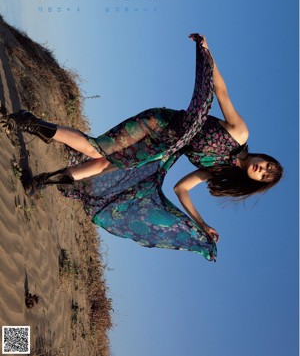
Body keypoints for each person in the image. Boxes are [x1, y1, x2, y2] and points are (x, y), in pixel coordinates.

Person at [1, 34, 283, 262]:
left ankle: (42, 180)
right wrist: (207, 54)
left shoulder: (218, 171)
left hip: (161, 151)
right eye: (268, 165)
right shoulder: (240, 133)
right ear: (263, 156)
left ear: (254, 182)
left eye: (265, 176)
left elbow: (180, 189)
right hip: (159, 125)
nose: (263, 169)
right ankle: (29, 122)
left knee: (101, 165)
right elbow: (221, 91)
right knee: (98, 149)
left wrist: (201, 224)